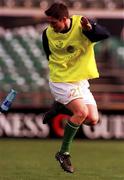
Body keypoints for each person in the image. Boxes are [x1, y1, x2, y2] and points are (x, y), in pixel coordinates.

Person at [42, 3, 110, 173]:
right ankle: (63, 153)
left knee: (93, 120)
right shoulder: (47, 33)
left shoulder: (82, 24)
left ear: (64, 19)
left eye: (53, 22)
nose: (51, 25)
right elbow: (48, 55)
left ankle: (61, 107)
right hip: (61, 80)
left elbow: (104, 34)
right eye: (49, 22)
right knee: (81, 113)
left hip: (79, 81)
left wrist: (89, 30)